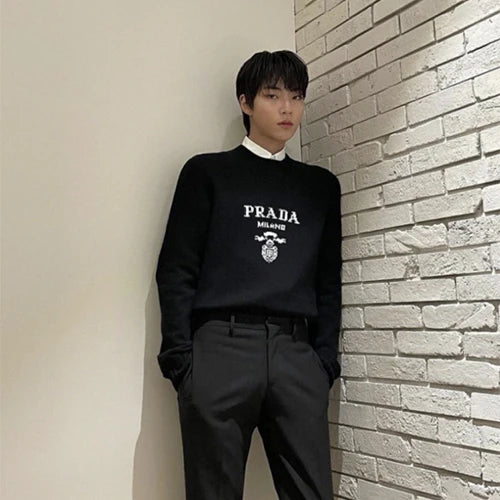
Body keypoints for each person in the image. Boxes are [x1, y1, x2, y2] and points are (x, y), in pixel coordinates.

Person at [155, 49, 342, 500]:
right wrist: (182, 361)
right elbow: (177, 269)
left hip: (296, 353)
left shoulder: (320, 186)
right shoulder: (207, 173)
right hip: (221, 347)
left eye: (296, 97)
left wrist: (324, 362)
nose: (287, 109)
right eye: (273, 96)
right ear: (245, 102)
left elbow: (328, 280)